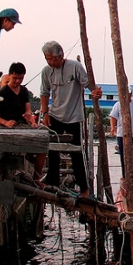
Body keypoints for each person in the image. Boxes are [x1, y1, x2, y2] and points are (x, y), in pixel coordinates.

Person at [38, 41, 102, 194]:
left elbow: (89, 84)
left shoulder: (75, 66)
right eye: (47, 59)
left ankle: (84, 188)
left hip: (74, 115)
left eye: (52, 59)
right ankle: (52, 184)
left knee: (77, 152)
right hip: (54, 114)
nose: (50, 62)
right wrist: (45, 113)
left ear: (60, 56)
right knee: (52, 151)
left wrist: (95, 92)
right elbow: (44, 93)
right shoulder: (46, 71)